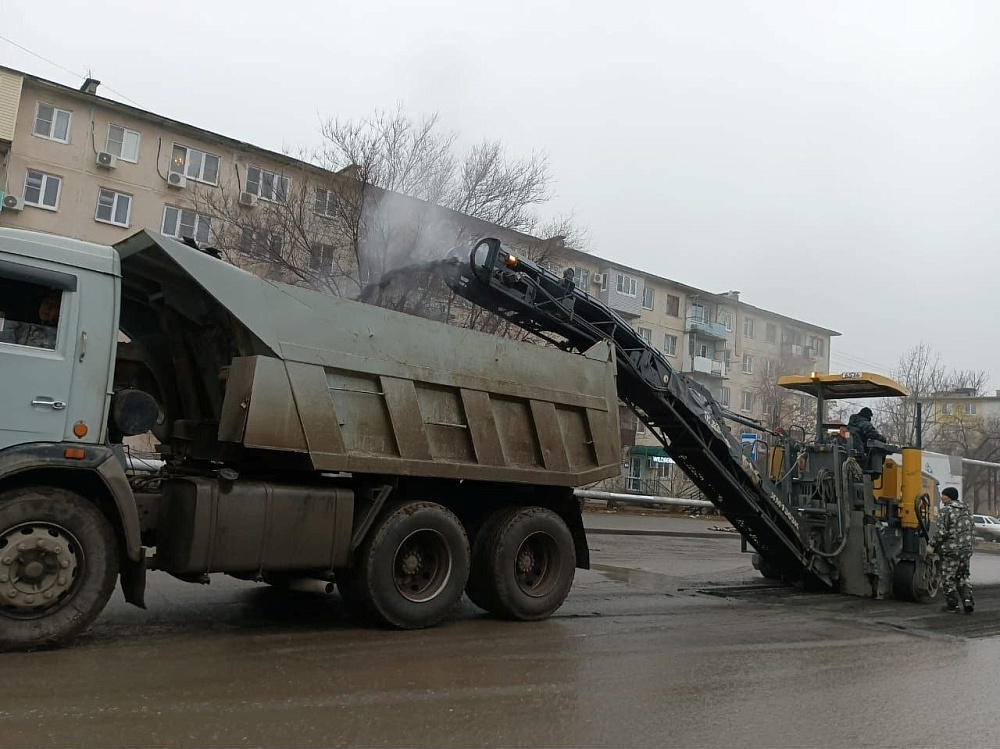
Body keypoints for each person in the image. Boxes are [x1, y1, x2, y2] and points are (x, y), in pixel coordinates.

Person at [928, 486, 974, 614]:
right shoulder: (966, 510)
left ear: (948, 496)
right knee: (963, 576)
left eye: (943, 495)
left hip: (951, 551)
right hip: (966, 550)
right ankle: (967, 600)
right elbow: (971, 530)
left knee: (948, 577)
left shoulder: (946, 510)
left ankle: (953, 605)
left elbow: (941, 532)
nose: (941, 497)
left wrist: (932, 545)